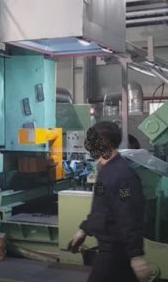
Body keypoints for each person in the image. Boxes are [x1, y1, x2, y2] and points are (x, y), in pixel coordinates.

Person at [67, 121, 154, 282]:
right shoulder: (105, 171)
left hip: (116, 250)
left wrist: (136, 255)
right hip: (110, 249)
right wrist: (84, 230)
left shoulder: (123, 176)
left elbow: (128, 212)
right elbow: (101, 207)